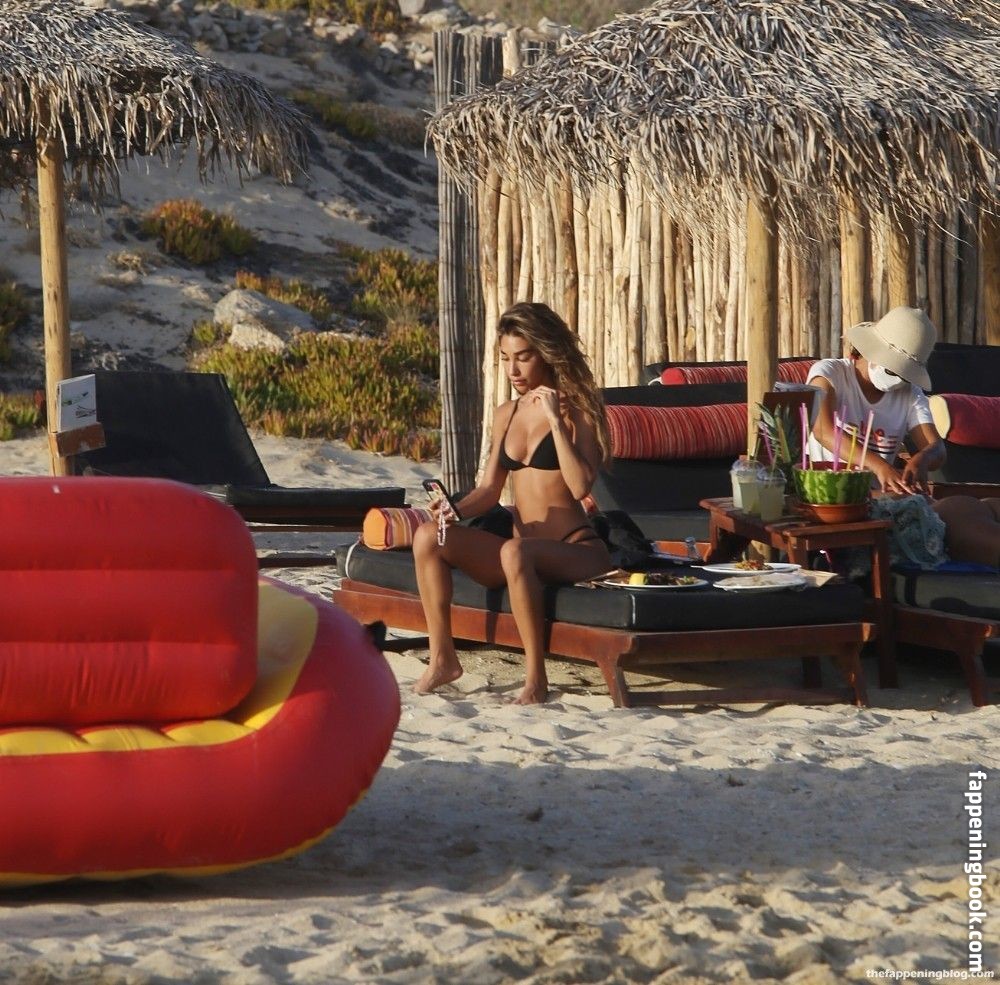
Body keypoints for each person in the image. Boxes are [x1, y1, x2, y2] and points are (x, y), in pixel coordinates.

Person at [411, 302, 613, 704]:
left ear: (546, 353)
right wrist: (454, 510)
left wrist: (555, 421)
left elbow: (579, 487)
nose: (513, 370)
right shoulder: (506, 414)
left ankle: (536, 679)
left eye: (523, 357)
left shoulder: (578, 410)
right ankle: (443, 659)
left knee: (515, 552)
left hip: (575, 549)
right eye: (505, 358)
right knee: (428, 537)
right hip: (517, 554)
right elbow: (489, 489)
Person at [807, 306, 1000, 567]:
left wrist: (923, 459)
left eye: (905, 375)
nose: (898, 380)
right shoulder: (830, 374)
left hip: (889, 499)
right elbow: (823, 431)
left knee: (974, 508)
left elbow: (937, 449)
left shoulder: (909, 394)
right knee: (957, 516)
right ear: (871, 351)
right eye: (894, 371)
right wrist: (880, 466)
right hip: (838, 501)